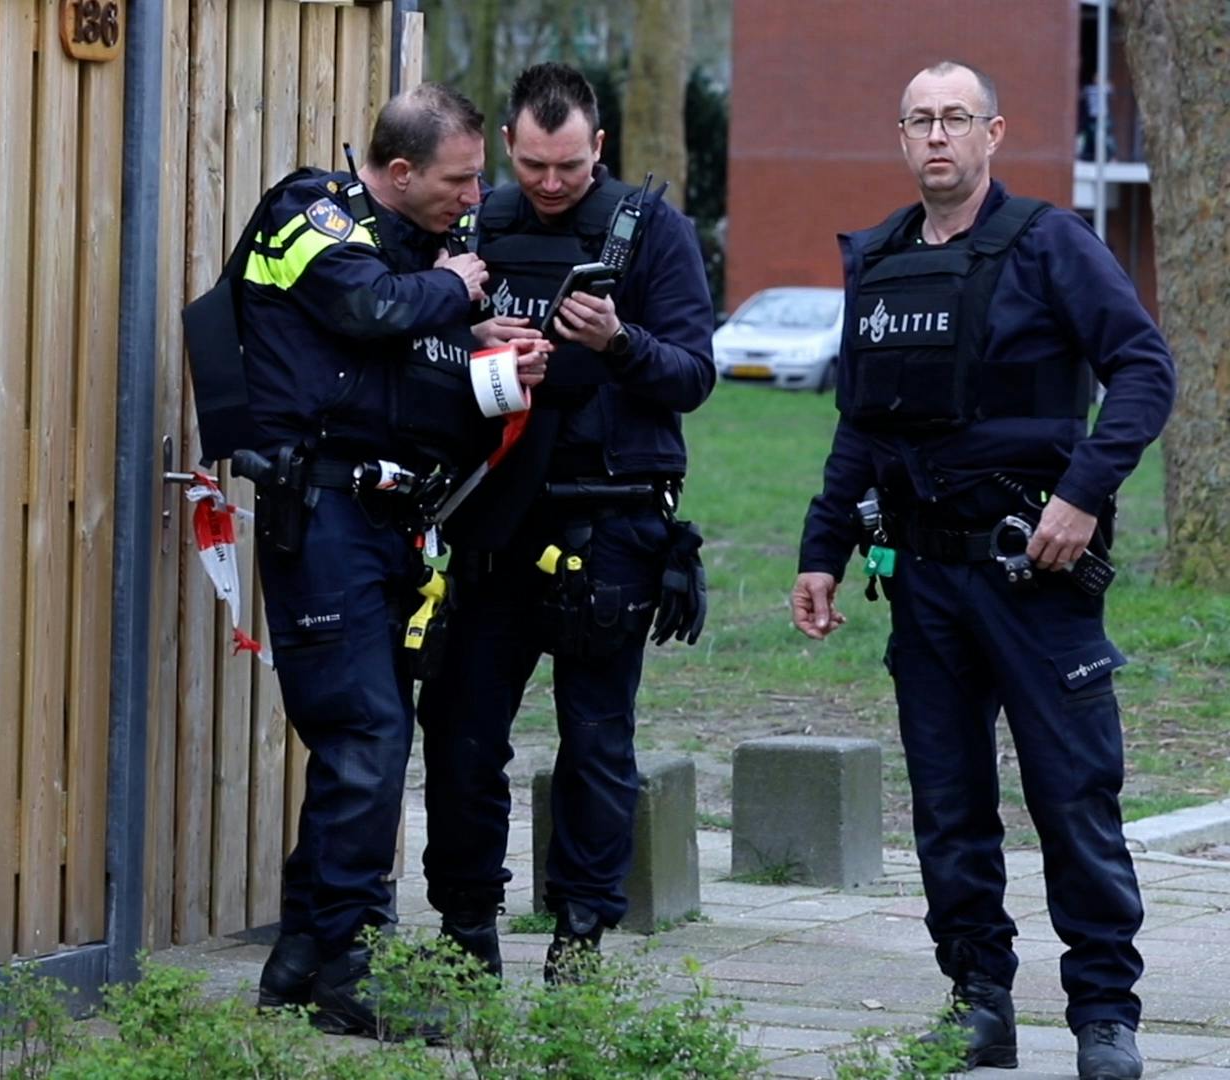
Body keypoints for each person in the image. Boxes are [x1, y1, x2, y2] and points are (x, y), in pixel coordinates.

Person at [790, 60, 1174, 1080]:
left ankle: (1104, 1016)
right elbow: (861, 425)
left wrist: (1083, 493)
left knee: (1072, 799)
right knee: (949, 806)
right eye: (920, 119)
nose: (938, 136)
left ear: (994, 133)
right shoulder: (880, 259)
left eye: (957, 118)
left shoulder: (1053, 245)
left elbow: (1143, 367)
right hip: (925, 584)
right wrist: (821, 551)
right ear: (902, 137)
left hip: (1036, 581)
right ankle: (977, 1006)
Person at [199, 82, 546, 1038]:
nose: (474, 197)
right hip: (322, 520)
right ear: (398, 172)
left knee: (366, 743)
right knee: (367, 740)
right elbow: (366, 308)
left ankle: (302, 961)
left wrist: (492, 364)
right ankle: (348, 971)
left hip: (390, 526)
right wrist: (458, 293)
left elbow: (405, 374)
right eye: (460, 178)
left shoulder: (414, 261)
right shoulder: (310, 214)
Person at [418, 62, 716, 982]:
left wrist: (616, 343)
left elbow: (693, 377)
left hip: (612, 525)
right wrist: (475, 340)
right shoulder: (475, 225)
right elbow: (413, 353)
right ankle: (466, 932)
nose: (551, 185)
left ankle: (580, 937)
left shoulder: (653, 229)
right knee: (461, 733)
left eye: (572, 167)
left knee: (596, 743)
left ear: (601, 149)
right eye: (536, 165)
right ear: (510, 146)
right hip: (494, 519)